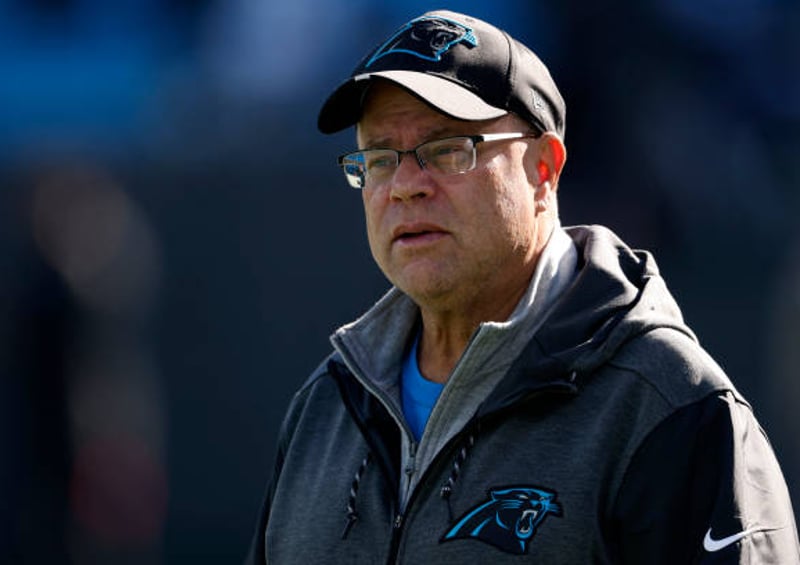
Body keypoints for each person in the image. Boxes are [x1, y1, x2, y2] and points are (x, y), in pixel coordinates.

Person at [246, 10, 799, 564]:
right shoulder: (326, 407)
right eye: (380, 158)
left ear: (545, 168)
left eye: (447, 150)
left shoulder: (668, 405)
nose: (405, 186)